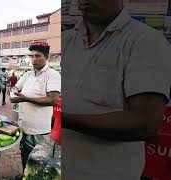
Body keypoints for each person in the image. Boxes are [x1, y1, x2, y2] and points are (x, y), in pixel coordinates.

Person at [63, 0, 171, 179]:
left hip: (106, 173)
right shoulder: (66, 40)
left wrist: (64, 119)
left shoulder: (145, 41)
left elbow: (144, 124)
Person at [10, 41, 61, 176]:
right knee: (24, 156)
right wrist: (12, 92)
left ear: (46, 57)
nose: (33, 59)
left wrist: (25, 98)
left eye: (37, 56)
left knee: (38, 164)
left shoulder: (53, 75)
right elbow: (16, 87)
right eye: (31, 56)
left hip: (40, 132)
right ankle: (24, 176)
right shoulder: (27, 74)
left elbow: (52, 99)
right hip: (23, 127)